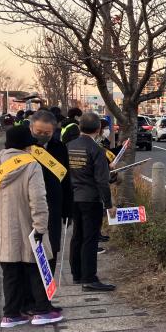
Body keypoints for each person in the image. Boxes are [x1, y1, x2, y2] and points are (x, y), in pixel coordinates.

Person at [0, 126, 64, 327]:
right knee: (35, 268)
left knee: (10, 272)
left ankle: (11, 314)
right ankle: (42, 311)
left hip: (1, 228)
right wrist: (41, 227)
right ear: (28, 144)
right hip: (27, 226)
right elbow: (38, 200)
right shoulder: (31, 165)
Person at [67, 112, 116, 291]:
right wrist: (109, 204)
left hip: (73, 197)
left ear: (80, 127)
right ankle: (90, 278)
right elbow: (102, 181)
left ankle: (77, 275)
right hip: (90, 199)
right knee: (90, 238)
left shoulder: (69, 146)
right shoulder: (96, 150)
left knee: (77, 236)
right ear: (98, 129)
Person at [29, 110, 73, 276]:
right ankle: (30, 297)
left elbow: (66, 179)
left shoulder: (59, 147)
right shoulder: (23, 148)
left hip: (53, 207)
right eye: (38, 132)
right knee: (30, 253)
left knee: (52, 249)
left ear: (53, 131)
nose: (42, 136)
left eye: (46, 133)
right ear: (31, 128)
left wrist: (68, 209)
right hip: (30, 207)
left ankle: (46, 295)